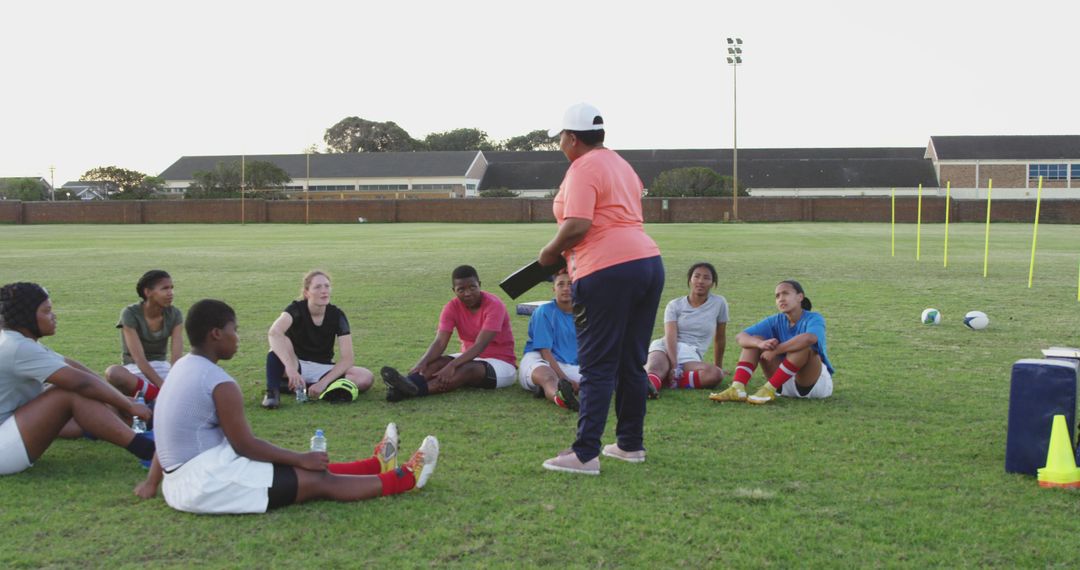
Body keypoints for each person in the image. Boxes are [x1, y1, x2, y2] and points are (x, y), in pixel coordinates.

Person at [133, 299, 439, 514]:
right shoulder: (218, 383)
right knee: (318, 481)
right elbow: (245, 446)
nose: (237, 338)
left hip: (184, 482)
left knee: (298, 469)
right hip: (207, 485)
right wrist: (301, 457)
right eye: (234, 330)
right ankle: (404, 479)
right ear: (216, 334)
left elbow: (165, 428)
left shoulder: (184, 367)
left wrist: (152, 483)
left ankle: (374, 466)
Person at [538, 103, 664, 475]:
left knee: (596, 363)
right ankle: (629, 444)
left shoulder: (583, 167)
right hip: (647, 263)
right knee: (630, 361)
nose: (560, 143)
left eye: (561, 137)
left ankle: (585, 453)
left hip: (606, 271)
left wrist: (549, 252)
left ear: (573, 138)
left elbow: (578, 223)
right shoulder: (621, 164)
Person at [0, 282, 155, 476]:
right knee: (67, 392)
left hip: (8, 430)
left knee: (66, 391)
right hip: (3, 450)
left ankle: (113, 427)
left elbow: (71, 366)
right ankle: (148, 450)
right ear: (26, 317)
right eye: (47, 311)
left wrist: (116, 398)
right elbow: (82, 382)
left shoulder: (15, 340)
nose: (53, 316)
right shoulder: (18, 347)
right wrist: (128, 405)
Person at [381, 265, 517, 401]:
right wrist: (423, 362)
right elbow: (440, 342)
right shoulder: (451, 307)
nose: (468, 293)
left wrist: (452, 366)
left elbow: (480, 345)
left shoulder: (494, 305)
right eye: (461, 289)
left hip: (501, 364)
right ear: (454, 290)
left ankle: (415, 391)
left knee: (465, 369)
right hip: (470, 357)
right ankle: (406, 383)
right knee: (436, 362)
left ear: (479, 285)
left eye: (472, 287)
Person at [709, 279, 834, 405]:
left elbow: (810, 338)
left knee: (804, 346)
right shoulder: (775, 320)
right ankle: (737, 388)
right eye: (777, 296)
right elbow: (740, 337)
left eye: (785, 293)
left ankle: (768, 389)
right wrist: (760, 344)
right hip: (781, 384)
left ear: (800, 297)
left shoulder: (814, 317)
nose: (781, 298)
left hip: (813, 385)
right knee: (755, 339)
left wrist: (777, 350)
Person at [261, 270, 373, 409]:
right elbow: (274, 333)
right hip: (296, 364)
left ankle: (304, 388)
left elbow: (347, 359)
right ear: (307, 292)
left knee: (365, 377)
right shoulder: (295, 309)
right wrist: (290, 369)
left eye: (327, 286)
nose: (324, 291)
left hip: (323, 368)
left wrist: (323, 382)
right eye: (318, 287)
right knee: (281, 341)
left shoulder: (337, 315)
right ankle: (272, 392)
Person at [645, 262, 729, 396]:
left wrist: (718, 366)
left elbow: (720, 338)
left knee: (715, 374)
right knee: (654, 369)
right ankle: (645, 390)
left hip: (690, 354)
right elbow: (670, 336)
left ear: (713, 283)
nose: (700, 281)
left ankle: (666, 379)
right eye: (696, 276)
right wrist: (674, 365)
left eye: (706, 278)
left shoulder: (719, 303)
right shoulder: (674, 305)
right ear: (690, 280)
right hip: (666, 346)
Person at [104, 270, 183, 402]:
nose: (170, 293)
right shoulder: (130, 313)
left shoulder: (175, 314)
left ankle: (153, 397)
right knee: (113, 373)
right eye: (164, 288)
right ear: (147, 292)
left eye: (171, 288)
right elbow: (139, 359)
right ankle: (160, 397)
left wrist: (172, 382)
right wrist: (163, 387)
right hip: (135, 370)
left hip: (162, 368)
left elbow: (176, 358)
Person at [518, 271, 581, 411]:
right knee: (548, 377)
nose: (566, 288)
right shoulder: (544, 312)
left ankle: (545, 390)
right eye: (561, 284)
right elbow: (544, 351)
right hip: (541, 359)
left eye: (570, 284)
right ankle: (559, 397)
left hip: (569, 364)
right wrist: (565, 379)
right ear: (554, 289)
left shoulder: (583, 313)